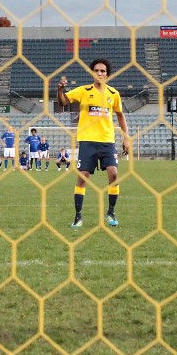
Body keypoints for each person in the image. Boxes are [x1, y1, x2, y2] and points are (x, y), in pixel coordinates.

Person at [57, 58, 130, 228]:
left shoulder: (114, 94)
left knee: (113, 175)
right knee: (83, 177)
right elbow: (63, 102)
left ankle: (111, 213)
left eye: (103, 71)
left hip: (107, 141)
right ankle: (78, 216)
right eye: (96, 70)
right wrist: (60, 89)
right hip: (87, 141)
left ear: (107, 74)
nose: (99, 73)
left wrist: (126, 137)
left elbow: (120, 115)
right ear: (92, 73)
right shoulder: (83, 91)